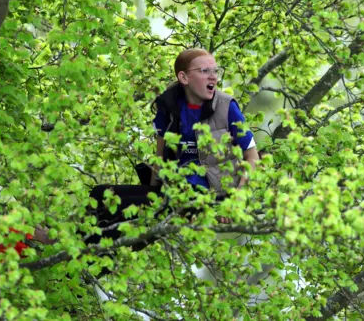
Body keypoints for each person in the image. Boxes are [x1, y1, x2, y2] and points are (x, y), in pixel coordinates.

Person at [86, 48, 259, 249]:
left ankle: (81, 254)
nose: (213, 77)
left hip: (207, 196)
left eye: (216, 71)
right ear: (183, 77)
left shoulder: (227, 107)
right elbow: (160, 157)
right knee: (101, 194)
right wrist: (148, 190)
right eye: (204, 71)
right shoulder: (168, 107)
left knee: (140, 219)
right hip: (172, 191)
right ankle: (70, 247)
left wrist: (237, 199)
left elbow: (252, 156)